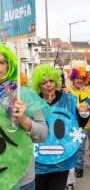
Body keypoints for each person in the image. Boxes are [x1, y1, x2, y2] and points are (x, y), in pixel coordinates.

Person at [31, 64, 88, 190]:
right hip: (39, 160)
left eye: (51, 81)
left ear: (56, 81)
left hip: (62, 157)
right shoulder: (32, 102)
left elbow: (77, 126)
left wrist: (84, 114)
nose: (49, 85)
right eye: (44, 82)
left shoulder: (68, 99)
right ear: (38, 85)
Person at [0, 44, 49, 190]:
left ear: (10, 66)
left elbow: (42, 134)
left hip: (21, 179)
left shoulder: (25, 95)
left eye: (0, 62)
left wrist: (24, 120)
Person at [65, 67, 90, 178]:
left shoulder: (88, 91)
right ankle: (68, 167)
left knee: (81, 147)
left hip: (84, 124)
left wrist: (87, 109)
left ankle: (79, 167)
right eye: (77, 78)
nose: (79, 80)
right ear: (73, 79)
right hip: (70, 124)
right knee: (70, 146)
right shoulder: (67, 90)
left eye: (82, 78)